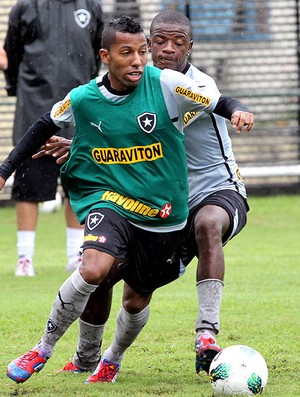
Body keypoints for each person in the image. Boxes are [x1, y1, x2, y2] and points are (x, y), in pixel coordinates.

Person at [0, 15, 253, 385]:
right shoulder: (86, 95)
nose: (147, 57)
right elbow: (50, 124)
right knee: (95, 270)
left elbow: (218, 104)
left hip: (175, 205)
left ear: (189, 46)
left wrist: (237, 111)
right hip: (117, 198)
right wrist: (8, 168)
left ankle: (121, 355)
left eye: (174, 43)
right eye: (149, 46)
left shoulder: (178, 85)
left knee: (137, 295)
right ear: (106, 55)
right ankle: (49, 349)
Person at [3, 0, 104, 276]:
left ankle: (76, 255)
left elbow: (97, 56)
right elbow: (11, 56)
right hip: (34, 109)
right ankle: (25, 258)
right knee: (28, 187)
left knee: (78, 186)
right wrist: (18, 90)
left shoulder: (91, 7)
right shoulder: (25, 7)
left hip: (78, 110)